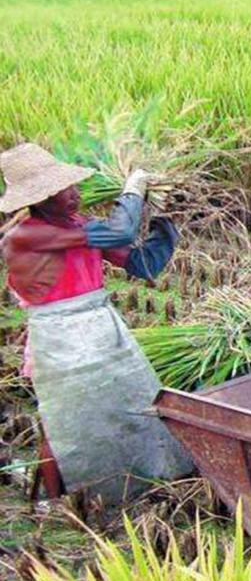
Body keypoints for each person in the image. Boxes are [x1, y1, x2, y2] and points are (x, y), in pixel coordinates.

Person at [0, 143, 193, 503]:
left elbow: (142, 264)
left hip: (102, 330)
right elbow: (120, 233)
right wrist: (133, 191)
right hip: (59, 337)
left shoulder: (80, 226)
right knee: (63, 424)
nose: (74, 195)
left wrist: (167, 221)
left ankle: (136, 480)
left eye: (73, 186)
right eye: (61, 191)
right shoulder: (26, 235)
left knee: (131, 404)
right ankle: (55, 502)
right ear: (39, 199)